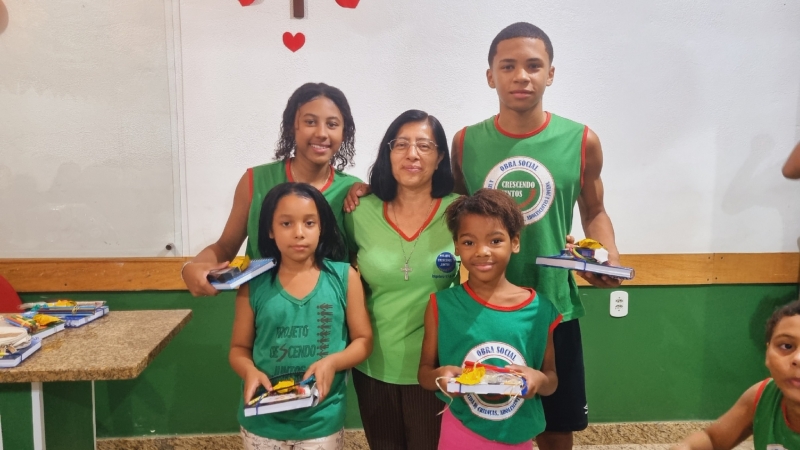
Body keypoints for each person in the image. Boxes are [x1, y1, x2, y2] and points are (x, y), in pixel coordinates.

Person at [449, 22, 622, 449]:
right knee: (488, 417)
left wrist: (608, 258)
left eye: (533, 65)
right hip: (484, 306)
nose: (521, 76)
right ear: (490, 76)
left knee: (556, 427)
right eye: (508, 66)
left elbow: (595, 211)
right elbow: (450, 213)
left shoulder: (582, 141)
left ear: (550, 74)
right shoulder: (465, 143)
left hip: (553, 303)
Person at [343, 109, 459, 449]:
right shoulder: (358, 211)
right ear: (388, 152)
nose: (412, 154)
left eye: (424, 145)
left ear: (440, 157)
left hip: (436, 366)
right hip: (373, 364)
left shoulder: (460, 212)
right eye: (401, 144)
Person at [229, 182, 372, 450]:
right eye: (286, 224)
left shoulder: (344, 278)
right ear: (270, 230)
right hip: (262, 422)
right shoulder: (253, 285)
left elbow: (363, 341)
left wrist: (332, 362)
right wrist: (249, 371)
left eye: (309, 223)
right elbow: (239, 348)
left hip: (321, 420)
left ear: (322, 228)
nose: (299, 233)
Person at [183, 82, 361, 296]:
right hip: (263, 310)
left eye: (332, 124)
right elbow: (225, 247)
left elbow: (361, 259)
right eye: (310, 122)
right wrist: (190, 268)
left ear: (344, 132)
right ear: (291, 126)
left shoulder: (353, 192)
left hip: (329, 313)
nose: (322, 133)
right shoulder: (254, 181)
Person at [419, 189, 561, 449]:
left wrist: (539, 380)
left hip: (517, 434)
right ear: (456, 246)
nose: (482, 251)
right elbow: (425, 373)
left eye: (495, 241)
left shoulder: (541, 310)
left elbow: (551, 379)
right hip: (459, 432)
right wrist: (441, 376)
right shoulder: (442, 305)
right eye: (469, 242)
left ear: (515, 242)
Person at [671, 299, 800, 450]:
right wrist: (686, 447)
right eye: (787, 346)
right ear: (767, 352)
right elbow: (711, 439)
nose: (798, 359)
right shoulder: (761, 397)